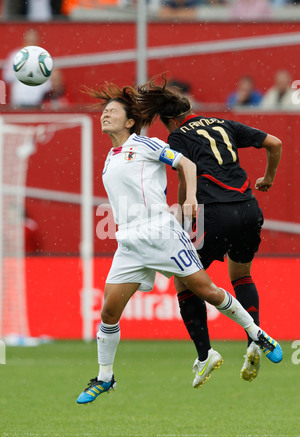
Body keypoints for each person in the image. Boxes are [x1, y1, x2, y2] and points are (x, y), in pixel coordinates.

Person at [76, 82, 282, 404]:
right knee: (108, 312)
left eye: (112, 111)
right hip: (129, 241)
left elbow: (186, 163)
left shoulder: (147, 144)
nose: (105, 115)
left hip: (161, 231)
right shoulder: (110, 157)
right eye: (104, 111)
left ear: (130, 121)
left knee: (205, 290)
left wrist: (188, 200)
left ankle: (257, 334)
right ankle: (105, 377)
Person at [137, 75, 282, 386]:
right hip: (248, 208)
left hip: (213, 212)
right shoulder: (224, 123)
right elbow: (275, 143)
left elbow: (184, 177)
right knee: (242, 274)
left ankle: (205, 355)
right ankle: (253, 339)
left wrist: (179, 215)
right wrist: (268, 177)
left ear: (170, 121)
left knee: (184, 279)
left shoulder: (177, 137)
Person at [2, 28, 52, 108]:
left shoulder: (43, 57)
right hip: (18, 101)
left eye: (33, 39)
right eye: (29, 38)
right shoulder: (15, 55)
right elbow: (7, 76)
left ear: (38, 40)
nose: (31, 41)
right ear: (24, 38)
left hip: (37, 103)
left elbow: (48, 84)